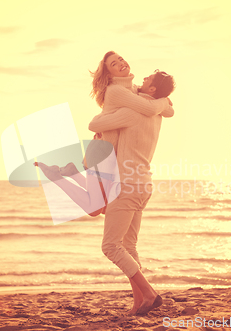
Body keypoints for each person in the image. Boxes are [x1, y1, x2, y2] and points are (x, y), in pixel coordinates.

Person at [39, 51, 176, 316]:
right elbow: (164, 106)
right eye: (115, 63)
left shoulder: (131, 112)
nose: (140, 74)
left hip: (125, 184)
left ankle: (148, 292)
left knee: (110, 246)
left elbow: (95, 122)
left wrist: (101, 128)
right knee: (129, 245)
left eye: (148, 79)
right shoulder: (156, 111)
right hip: (144, 185)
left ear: (151, 88)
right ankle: (139, 301)